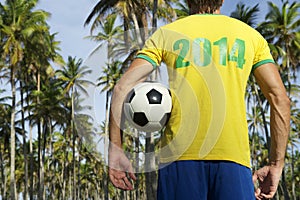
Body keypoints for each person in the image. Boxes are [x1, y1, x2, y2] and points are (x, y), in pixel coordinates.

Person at [108, 0, 291, 199]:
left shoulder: (166, 34)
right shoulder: (250, 36)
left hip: (179, 160)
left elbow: (121, 88)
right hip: (233, 160)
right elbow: (280, 99)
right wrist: (276, 164)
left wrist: (116, 148)